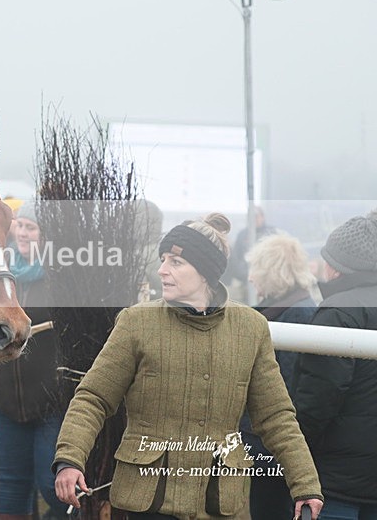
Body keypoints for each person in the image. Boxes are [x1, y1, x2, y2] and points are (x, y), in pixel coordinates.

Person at [53, 213, 324, 520]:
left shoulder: (251, 329)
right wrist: (70, 459)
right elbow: (93, 397)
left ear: (205, 272)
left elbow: (277, 418)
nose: (162, 270)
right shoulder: (137, 322)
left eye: (175, 262)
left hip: (216, 503)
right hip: (145, 503)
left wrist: (305, 486)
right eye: (163, 260)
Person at [0, 202, 70, 520]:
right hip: (7, 402)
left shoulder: (60, 279)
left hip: (50, 401)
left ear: (45, 236)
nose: (23, 233)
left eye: (31, 228)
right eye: (20, 226)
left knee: (52, 487)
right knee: (12, 488)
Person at [293, 212, 377, 519]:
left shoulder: (337, 311)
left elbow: (318, 397)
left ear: (339, 268)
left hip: (336, 480)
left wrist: (295, 456)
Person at [240, 233, 318, 519]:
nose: (250, 277)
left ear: (272, 271)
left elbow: (280, 390)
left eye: (256, 269)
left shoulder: (296, 317)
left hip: (274, 446)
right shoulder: (288, 309)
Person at [222, 206, 276, 294]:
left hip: (268, 281)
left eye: (256, 216)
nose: (254, 219)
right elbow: (236, 257)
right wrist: (243, 274)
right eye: (251, 217)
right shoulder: (242, 235)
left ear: (262, 217)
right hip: (246, 280)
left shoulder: (272, 233)